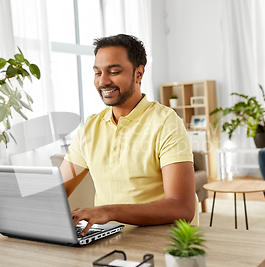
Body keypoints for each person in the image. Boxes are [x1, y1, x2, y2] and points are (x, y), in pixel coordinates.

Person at [60, 34, 195, 236]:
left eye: (113, 71)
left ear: (138, 74)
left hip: (160, 240)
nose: (103, 81)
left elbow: (182, 207)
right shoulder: (90, 127)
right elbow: (58, 189)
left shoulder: (166, 123)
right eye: (97, 73)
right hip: (109, 240)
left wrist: (109, 211)